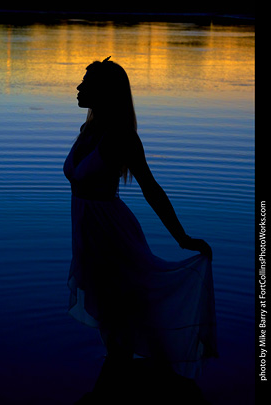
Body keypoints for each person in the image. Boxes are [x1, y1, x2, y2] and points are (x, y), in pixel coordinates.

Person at [63, 57, 218, 403]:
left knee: (120, 324)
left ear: (103, 91)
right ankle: (121, 387)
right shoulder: (88, 130)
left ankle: (129, 388)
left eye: (86, 83)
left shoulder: (121, 137)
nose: (78, 87)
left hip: (111, 240)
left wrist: (183, 238)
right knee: (113, 324)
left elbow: (151, 188)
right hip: (89, 240)